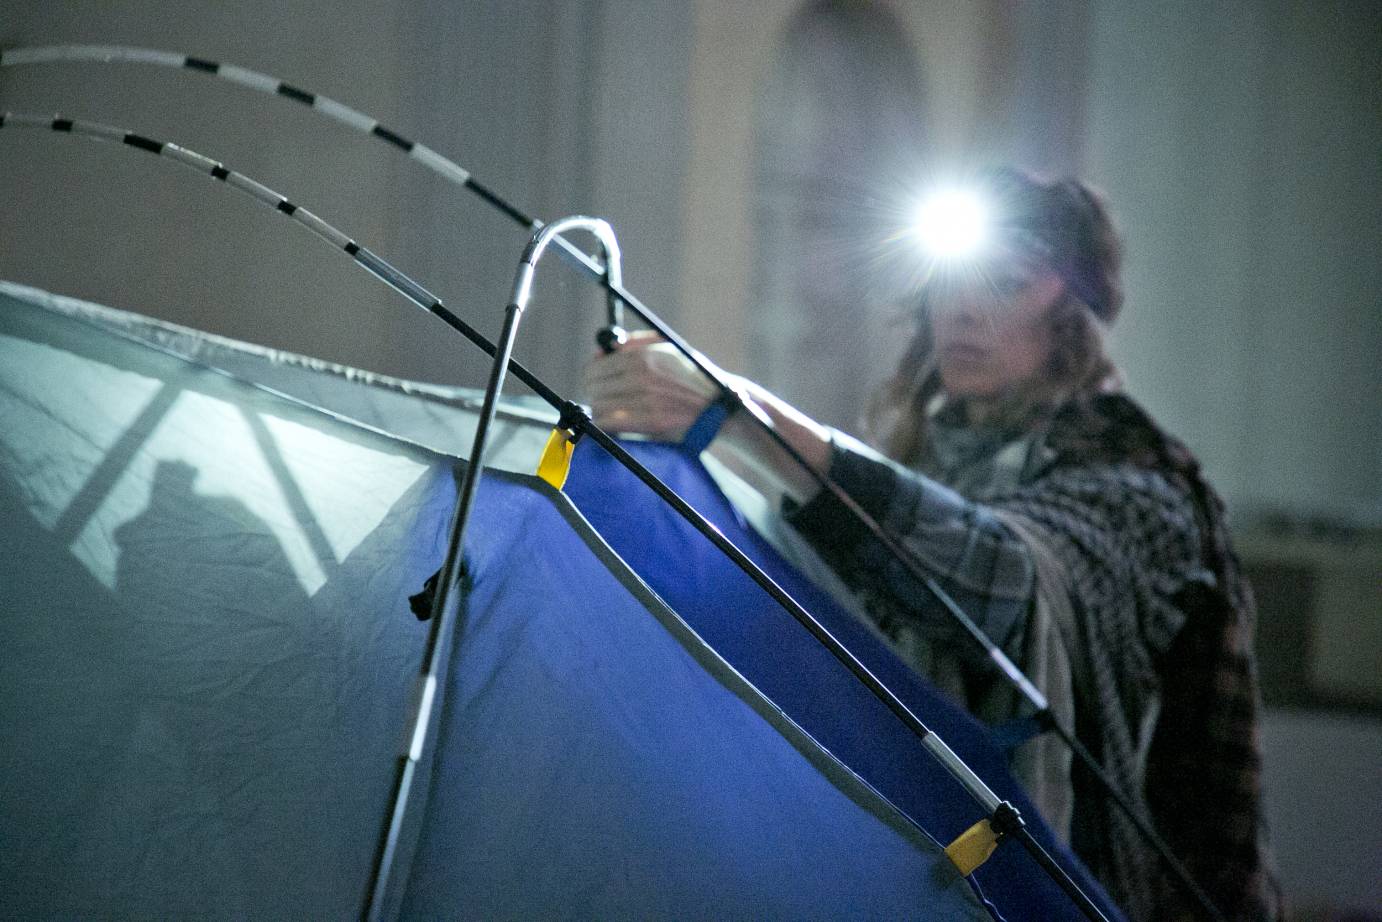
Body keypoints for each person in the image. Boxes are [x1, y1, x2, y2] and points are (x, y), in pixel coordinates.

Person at [584, 168, 1280, 921]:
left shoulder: (1139, 480)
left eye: (1006, 282)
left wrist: (748, 420)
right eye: (950, 281)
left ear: (1071, 315)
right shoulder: (927, 456)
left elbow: (1007, 581)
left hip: (1128, 898)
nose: (965, 309)